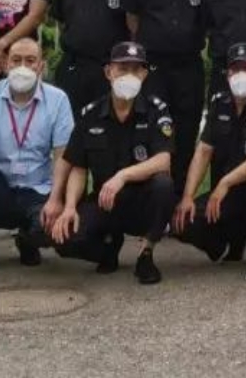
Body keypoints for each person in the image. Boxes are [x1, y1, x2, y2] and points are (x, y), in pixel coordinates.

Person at [49, 41, 175, 284]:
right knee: (64, 240)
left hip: (142, 201)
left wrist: (123, 176)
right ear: (108, 72)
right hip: (105, 202)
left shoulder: (156, 110)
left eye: (136, 69)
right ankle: (108, 247)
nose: (129, 75)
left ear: (144, 74)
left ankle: (146, 253)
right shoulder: (91, 113)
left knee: (164, 185)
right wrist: (69, 207)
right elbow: (78, 166)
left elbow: (163, 160)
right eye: (122, 68)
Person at [0, 37, 74, 278]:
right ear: (5, 64)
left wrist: (56, 199)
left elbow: (63, 154)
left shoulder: (58, 99)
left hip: (38, 190)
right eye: (16, 60)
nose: (22, 67)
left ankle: (28, 240)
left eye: (30, 61)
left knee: (53, 231)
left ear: (41, 66)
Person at [173, 42, 246, 281]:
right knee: (181, 223)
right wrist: (187, 197)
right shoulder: (219, 103)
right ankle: (227, 241)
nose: (241, 74)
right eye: (236, 69)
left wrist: (225, 182)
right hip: (228, 197)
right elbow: (203, 152)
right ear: (227, 74)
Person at [126, 0, 209, 199]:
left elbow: (205, 19)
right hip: (154, 68)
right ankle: (152, 201)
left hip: (189, 68)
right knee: (152, 133)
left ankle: (179, 203)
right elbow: (132, 19)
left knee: (185, 133)